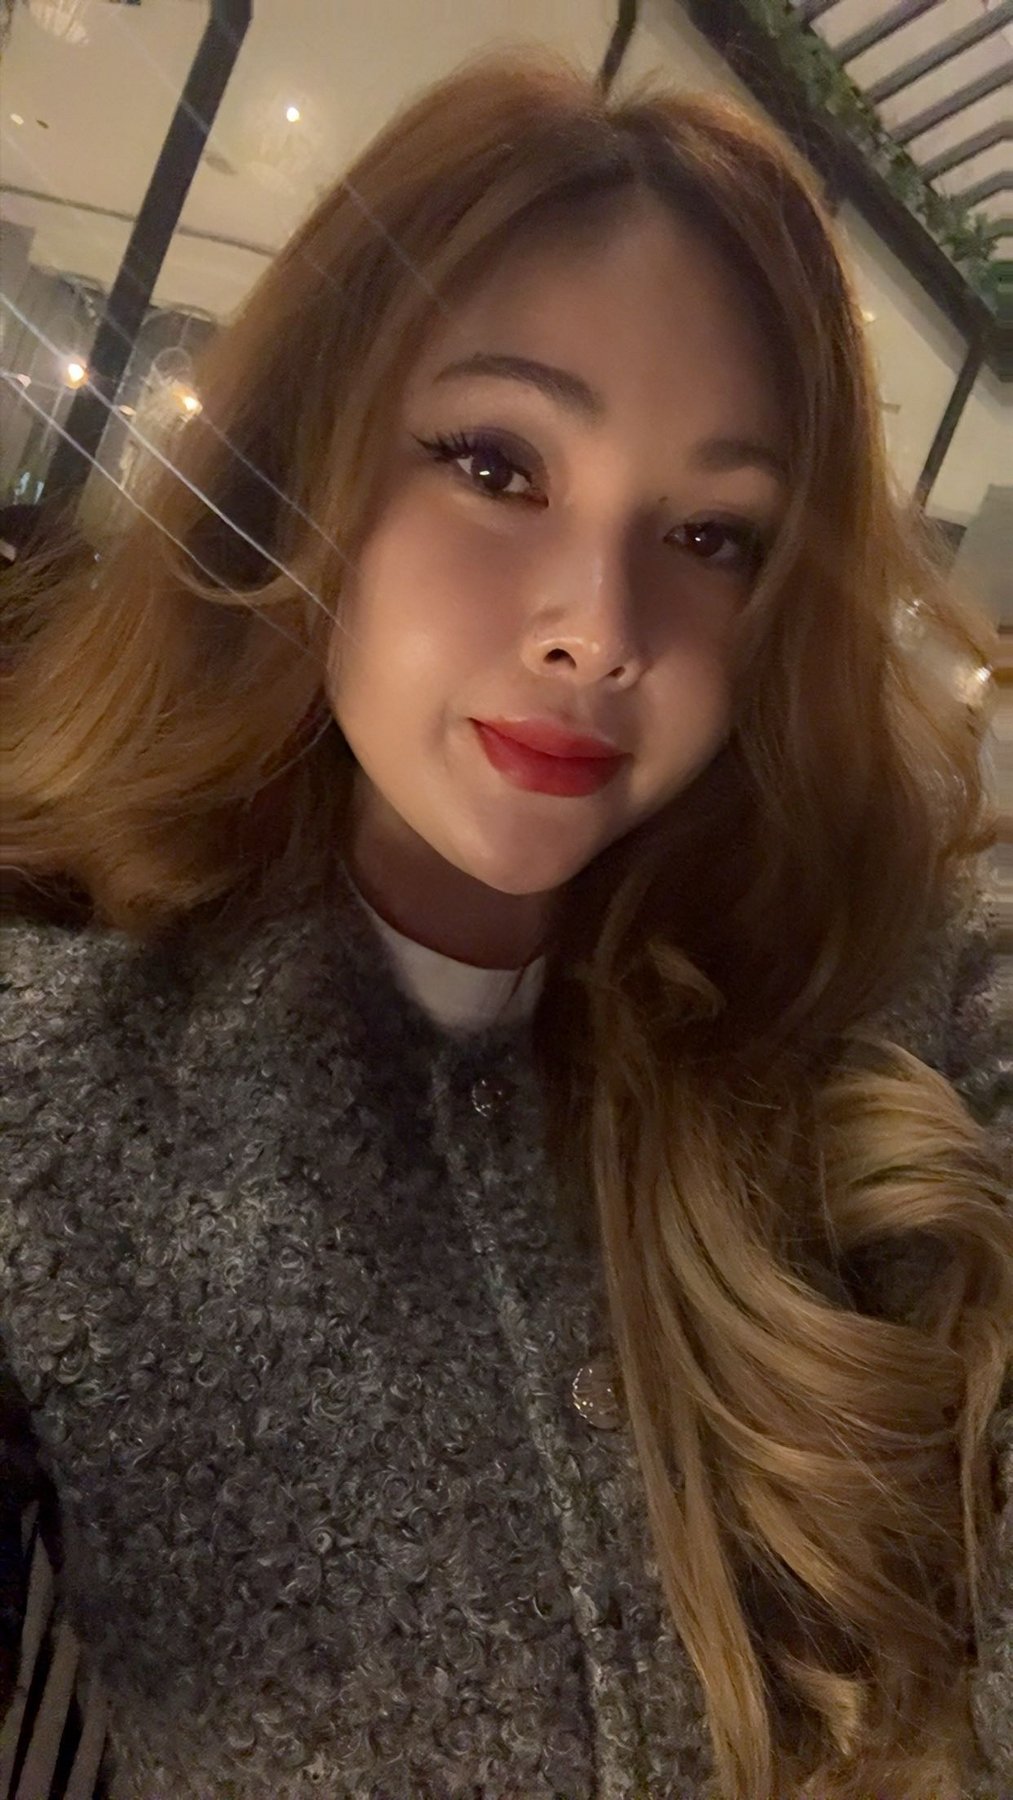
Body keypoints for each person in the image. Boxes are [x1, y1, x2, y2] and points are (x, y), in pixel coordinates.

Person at [1, 51, 1009, 1800]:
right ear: (306, 460)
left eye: (709, 533)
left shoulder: (903, 990)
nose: (599, 627)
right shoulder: (54, 1089)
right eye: (496, 462)